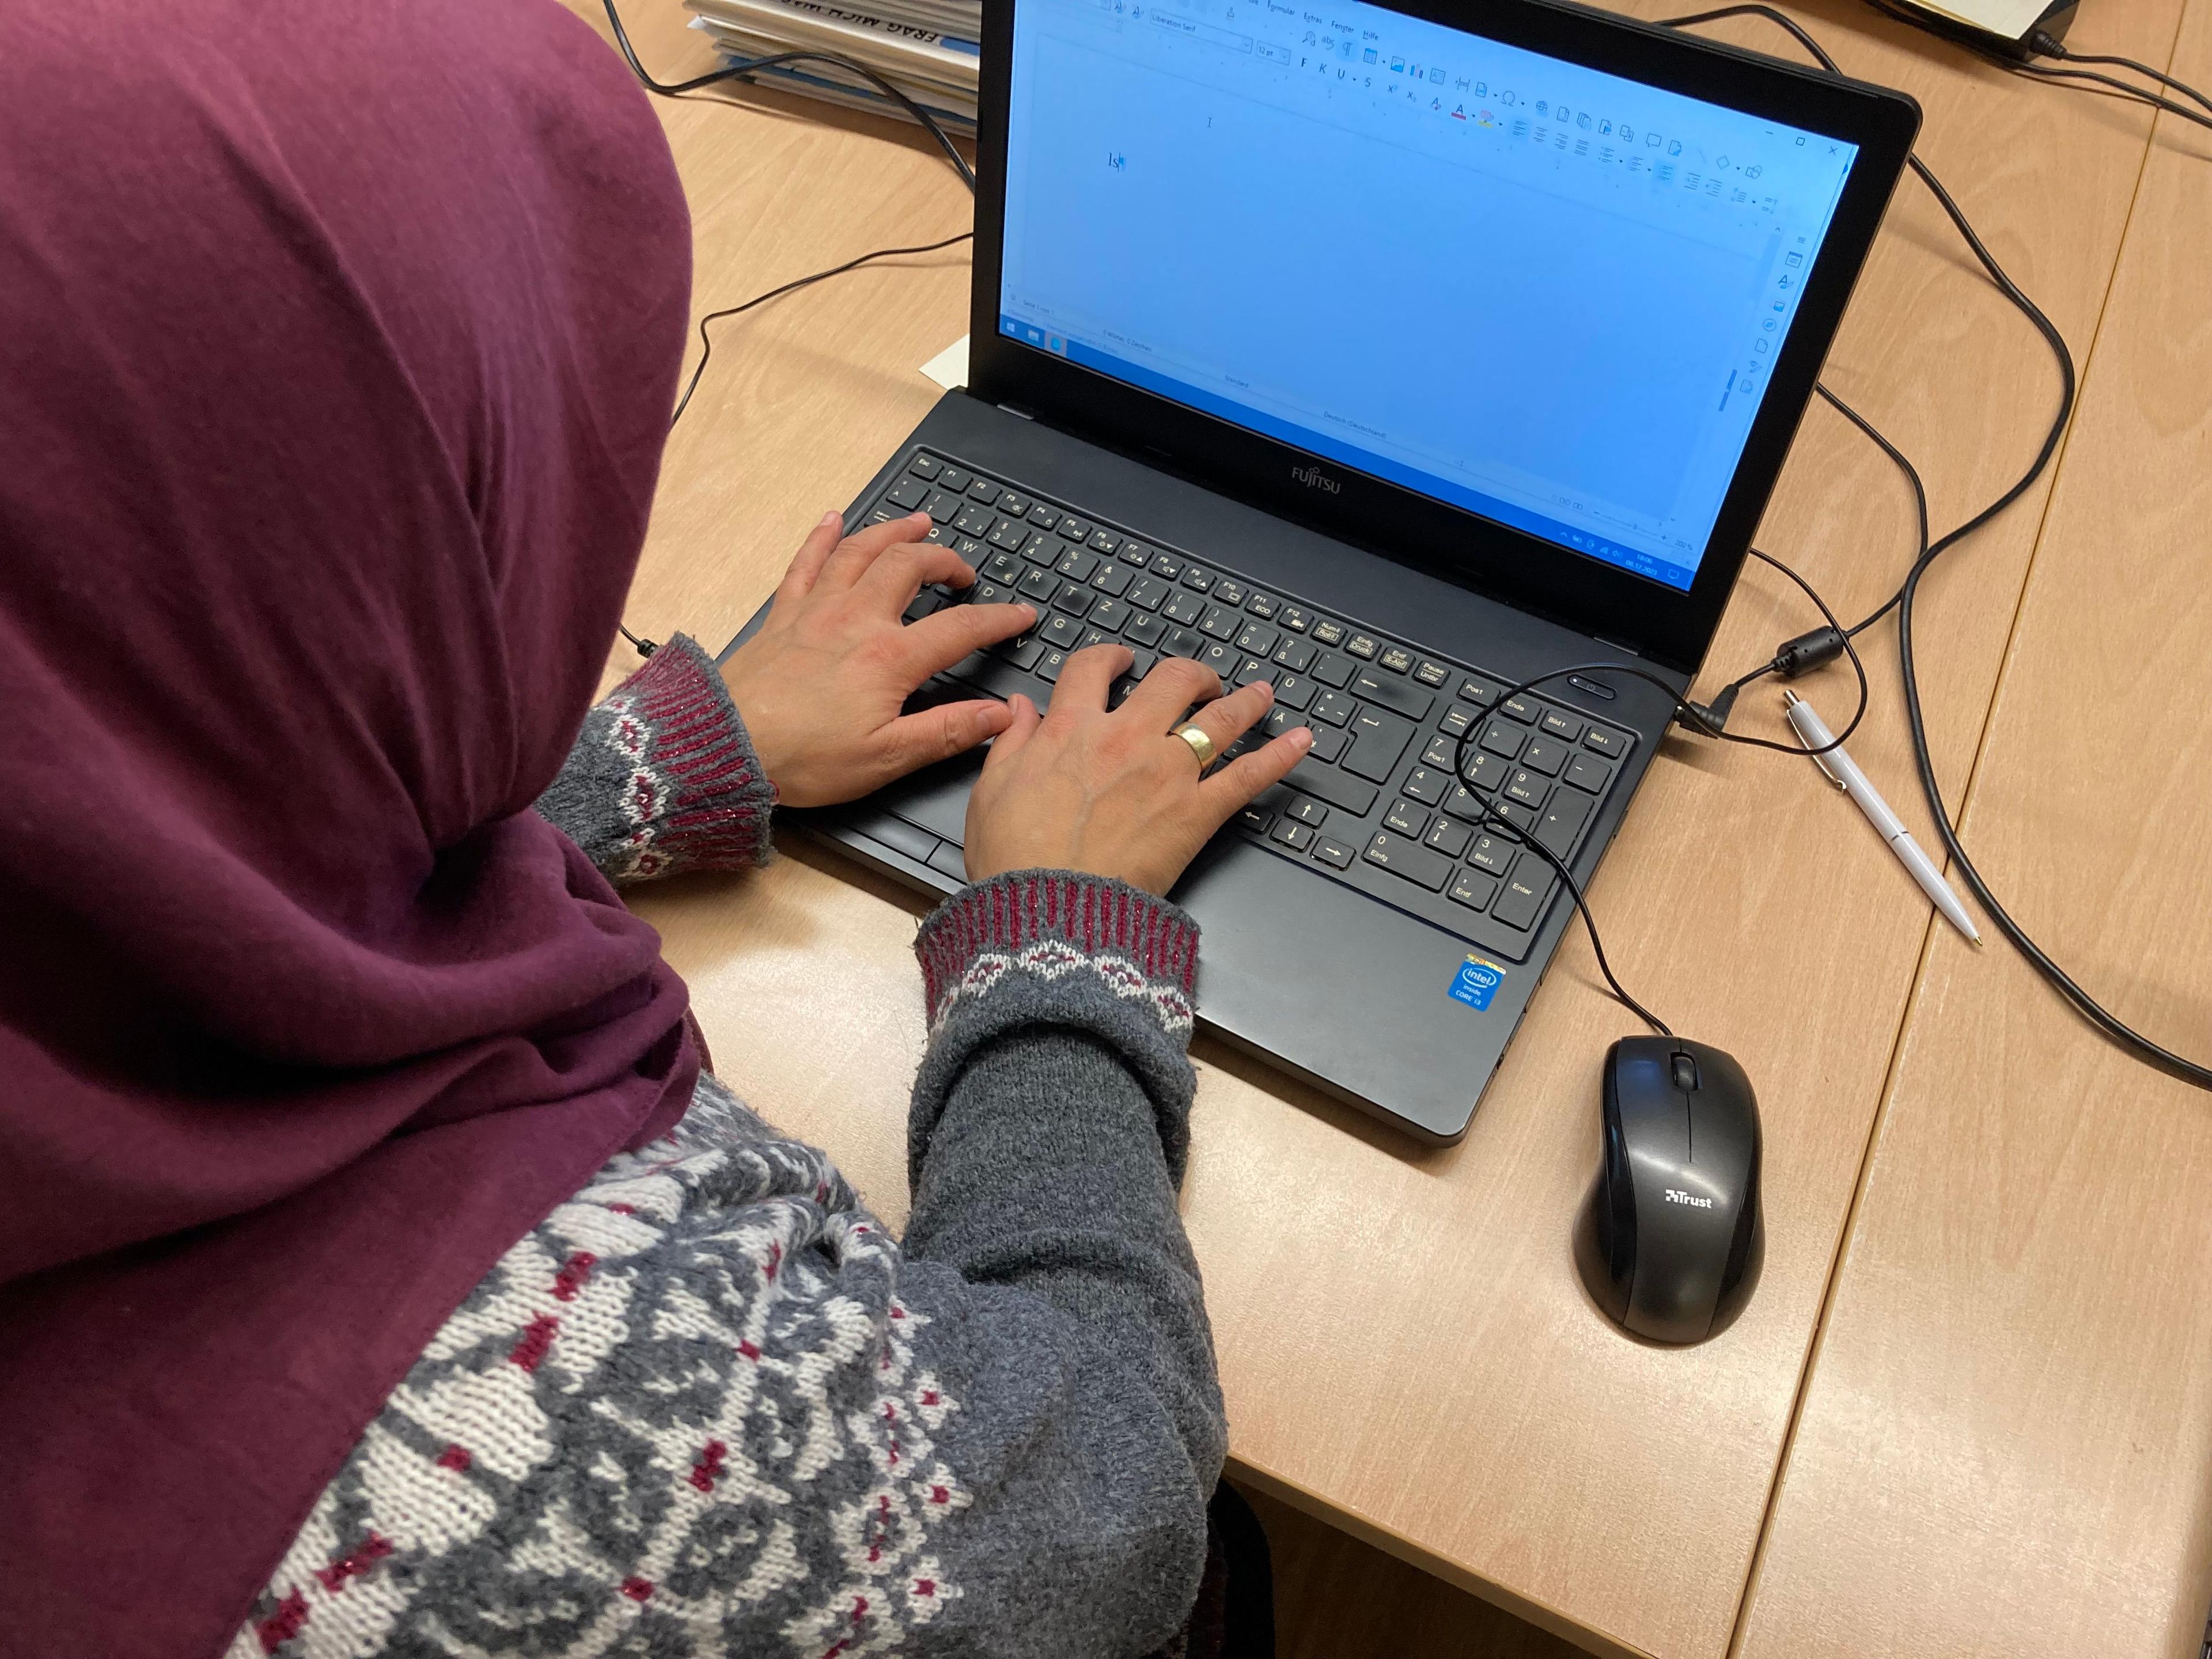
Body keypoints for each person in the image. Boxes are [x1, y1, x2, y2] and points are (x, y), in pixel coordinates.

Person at [0, 1, 1310, 1656]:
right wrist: (1061, 929)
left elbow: (132, 824)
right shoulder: (564, 1448)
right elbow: (1105, 1503)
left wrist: (667, 753)